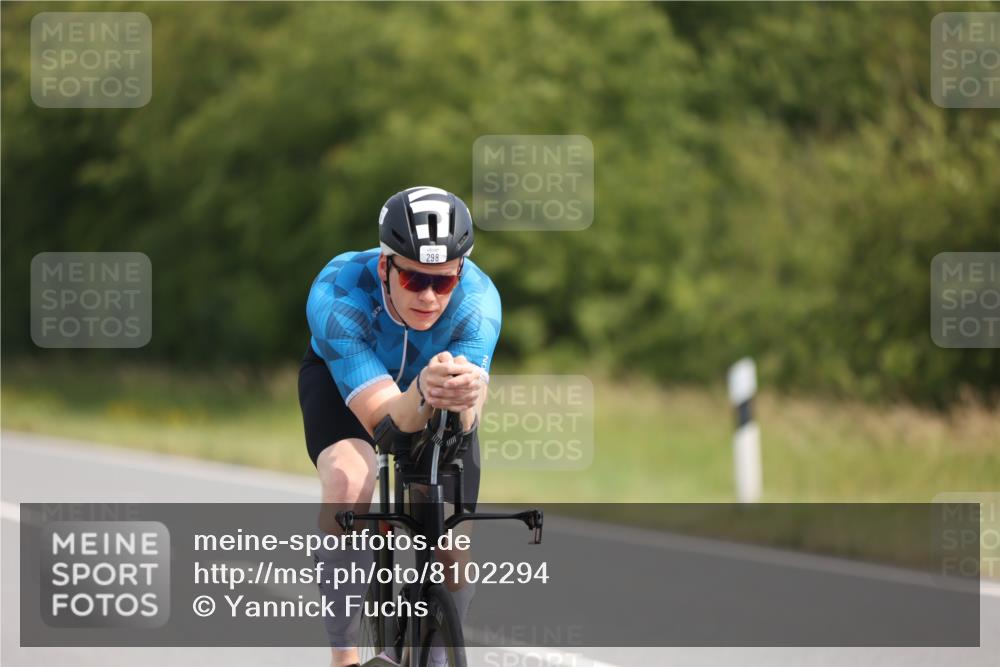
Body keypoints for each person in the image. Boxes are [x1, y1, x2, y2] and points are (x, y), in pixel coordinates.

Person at [298, 186, 501, 667]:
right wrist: (423, 392)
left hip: (434, 388)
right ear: (386, 266)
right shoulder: (339, 291)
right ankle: (344, 656)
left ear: (461, 273)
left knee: (451, 539)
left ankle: (433, 654)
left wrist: (467, 399)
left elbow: (467, 419)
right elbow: (387, 423)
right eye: (413, 280)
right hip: (348, 385)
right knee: (350, 481)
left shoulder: (478, 300)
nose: (429, 297)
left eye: (443, 282)